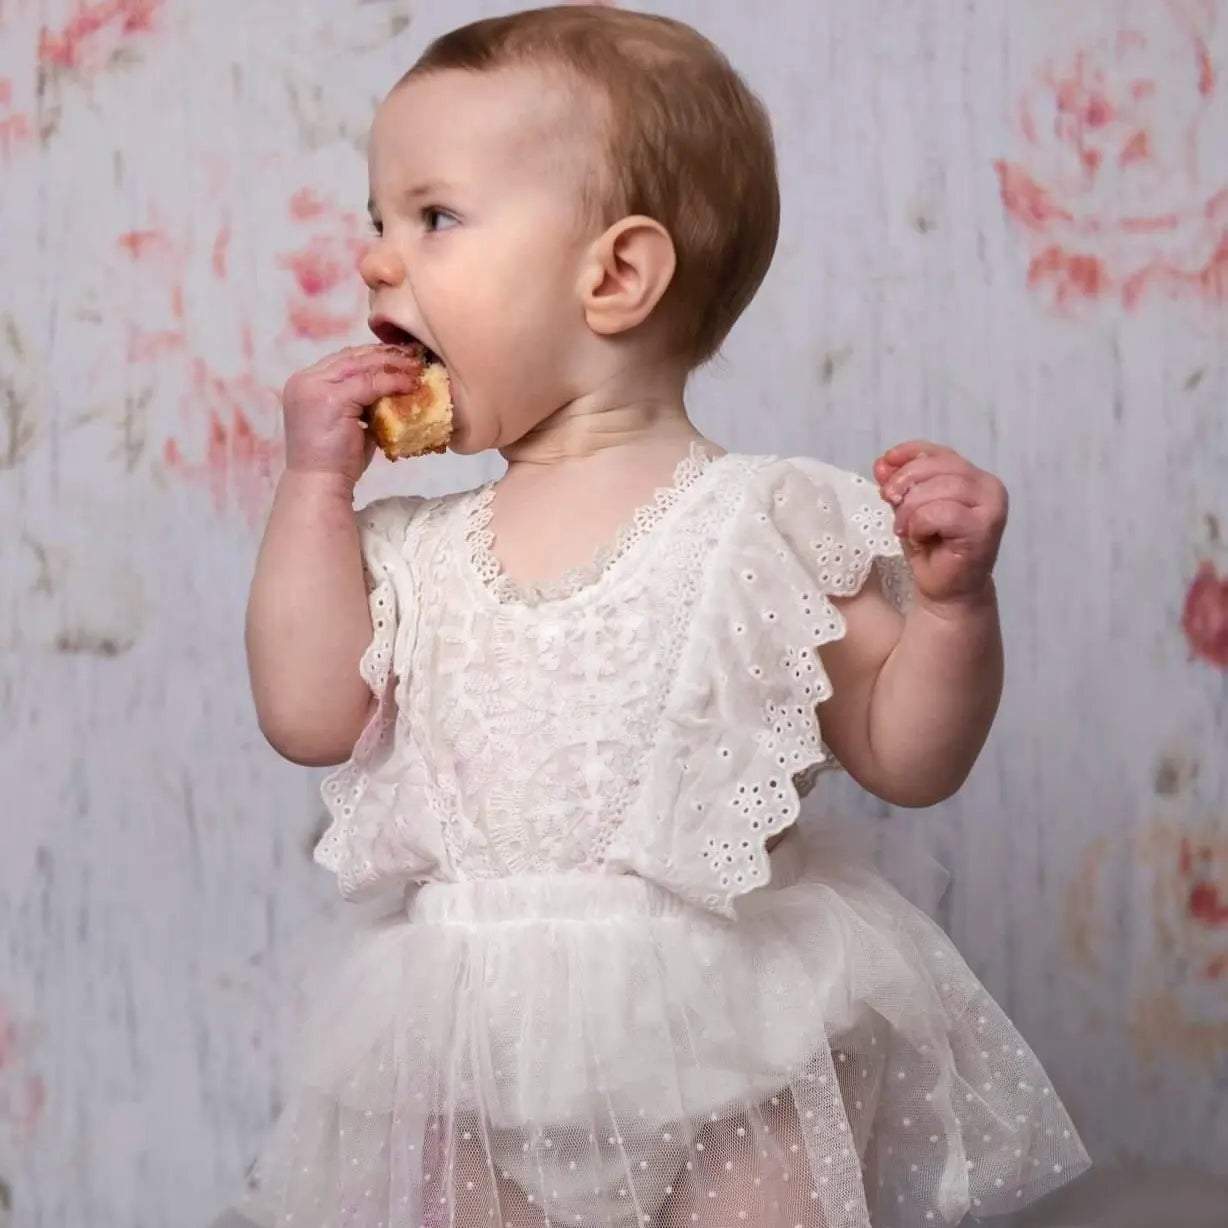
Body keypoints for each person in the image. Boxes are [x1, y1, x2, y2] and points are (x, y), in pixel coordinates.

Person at [234, 7, 1090, 1226]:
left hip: (731, 1033)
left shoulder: (760, 522)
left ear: (615, 276)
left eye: (433, 217)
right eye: (379, 220)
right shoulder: (407, 549)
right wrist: (313, 489)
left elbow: (906, 756)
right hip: (470, 1041)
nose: (376, 260)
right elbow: (306, 714)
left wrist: (952, 610)